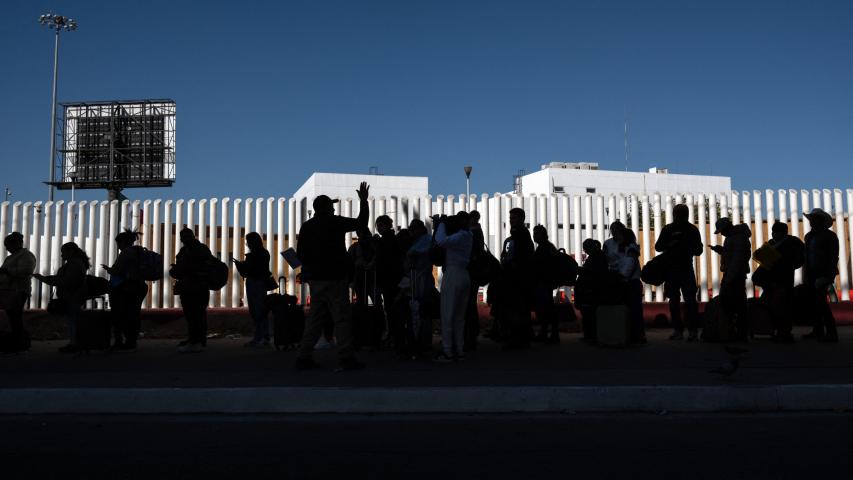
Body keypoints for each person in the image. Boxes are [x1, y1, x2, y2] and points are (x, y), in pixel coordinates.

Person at [295, 182, 370, 371]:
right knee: (341, 318)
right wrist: (363, 201)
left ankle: (304, 356)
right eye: (331, 205)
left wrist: (307, 271)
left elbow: (301, 255)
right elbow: (361, 222)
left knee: (315, 318)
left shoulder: (307, 227)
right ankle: (346, 356)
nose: (333, 208)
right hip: (336, 277)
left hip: (316, 279)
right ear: (328, 208)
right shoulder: (335, 222)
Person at [655, 204, 703, 341]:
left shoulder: (668, 229)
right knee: (690, 301)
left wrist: (671, 244)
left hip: (673, 269)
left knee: (675, 301)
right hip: (685, 268)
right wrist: (686, 246)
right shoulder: (692, 229)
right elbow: (699, 250)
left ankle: (679, 331)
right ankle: (692, 331)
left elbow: (658, 247)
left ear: (673, 214)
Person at [34, 242, 89, 353]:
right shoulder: (77, 263)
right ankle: (75, 343)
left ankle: (74, 344)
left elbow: (66, 281)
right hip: (74, 296)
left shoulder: (74, 265)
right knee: (73, 320)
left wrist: (45, 279)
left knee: (73, 321)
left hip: (72, 297)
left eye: (63, 252)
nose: (61, 255)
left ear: (71, 252)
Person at [433, 211, 473, 362]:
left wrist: (442, 223)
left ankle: (448, 351)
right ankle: (459, 349)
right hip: (464, 274)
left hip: (453, 273)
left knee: (447, 314)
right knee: (459, 317)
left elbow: (441, 241)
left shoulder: (460, 236)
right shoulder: (469, 235)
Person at [494, 207, 535, 350]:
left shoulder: (521, 235)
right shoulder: (515, 236)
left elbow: (523, 257)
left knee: (517, 309)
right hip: (515, 279)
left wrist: (511, 265)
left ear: (522, 219)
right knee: (516, 309)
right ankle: (519, 338)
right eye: (511, 218)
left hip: (518, 280)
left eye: (514, 218)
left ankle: (518, 338)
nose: (512, 221)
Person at [102, 230, 149, 351]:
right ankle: (131, 341)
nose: (117, 246)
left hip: (126, 288)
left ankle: (122, 342)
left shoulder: (126, 253)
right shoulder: (138, 251)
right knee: (133, 315)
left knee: (121, 315)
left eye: (118, 243)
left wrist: (109, 270)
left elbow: (117, 270)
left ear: (122, 242)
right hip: (139, 286)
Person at [759, 222, 805, 343]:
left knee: (782, 307)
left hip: (782, 280)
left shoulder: (788, 244)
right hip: (778, 279)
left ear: (782, 233)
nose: (773, 234)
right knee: (779, 306)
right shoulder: (790, 242)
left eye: (775, 231)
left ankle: (783, 333)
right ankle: (781, 332)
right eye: (773, 231)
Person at [170, 228, 213, 353]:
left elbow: (183, 268)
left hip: (192, 288)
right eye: (184, 237)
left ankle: (195, 342)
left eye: (186, 236)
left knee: (193, 315)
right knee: (198, 315)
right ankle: (197, 340)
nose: (185, 239)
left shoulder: (190, 251)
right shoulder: (200, 249)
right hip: (199, 287)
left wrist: (175, 270)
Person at [710, 217, 752, 342]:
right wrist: (722, 251)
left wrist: (729, 278)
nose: (721, 234)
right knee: (737, 304)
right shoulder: (736, 237)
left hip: (733, 276)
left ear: (727, 228)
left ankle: (736, 334)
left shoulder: (737, 238)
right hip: (734, 275)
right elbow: (734, 255)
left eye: (722, 231)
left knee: (733, 305)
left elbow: (737, 260)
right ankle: (738, 333)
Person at [802, 208, 839, 343]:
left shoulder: (830, 236)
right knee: (814, 303)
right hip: (811, 272)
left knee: (821, 303)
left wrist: (829, 275)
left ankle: (831, 332)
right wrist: (805, 274)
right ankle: (817, 330)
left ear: (821, 221)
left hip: (823, 273)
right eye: (811, 219)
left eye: (815, 219)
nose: (812, 222)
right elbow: (806, 257)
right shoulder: (809, 236)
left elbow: (833, 257)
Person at [233, 232, 272, 348]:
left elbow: (254, 269)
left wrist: (243, 266)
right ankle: (264, 337)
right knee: (260, 310)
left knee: (256, 310)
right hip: (259, 283)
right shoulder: (264, 253)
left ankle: (259, 337)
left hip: (256, 283)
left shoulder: (256, 254)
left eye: (248, 241)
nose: (247, 244)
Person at [0, 232, 37, 353]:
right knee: (13, 317)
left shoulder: (26, 255)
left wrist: (7, 271)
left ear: (16, 243)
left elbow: (26, 270)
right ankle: (19, 341)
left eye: (8, 245)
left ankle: (20, 342)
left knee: (15, 317)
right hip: (8, 291)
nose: (6, 248)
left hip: (18, 291)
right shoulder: (10, 257)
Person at [615, 229, 645, 344]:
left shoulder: (630, 248)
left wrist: (622, 276)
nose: (616, 237)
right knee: (634, 310)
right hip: (631, 283)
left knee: (634, 310)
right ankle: (635, 335)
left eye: (619, 235)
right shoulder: (628, 248)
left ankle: (636, 335)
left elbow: (629, 265)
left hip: (630, 283)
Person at [575, 239, 607, 343]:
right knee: (589, 314)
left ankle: (590, 336)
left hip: (591, 290)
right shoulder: (597, 256)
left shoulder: (596, 257)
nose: (585, 250)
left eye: (585, 247)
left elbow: (591, 272)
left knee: (589, 314)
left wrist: (579, 270)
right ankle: (590, 335)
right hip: (592, 290)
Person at [531, 225, 559, 344]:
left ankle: (549, 334)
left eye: (537, 233)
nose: (534, 236)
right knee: (546, 308)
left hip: (543, 281)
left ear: (543, 235)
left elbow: (541, 266)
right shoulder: (547, 247)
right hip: (546, 282)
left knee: (545, 309)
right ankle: (550, 333)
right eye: (534, 233)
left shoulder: (544, 248)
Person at [464, 210, 486, 351]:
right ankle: (472, 333)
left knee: (468, 304)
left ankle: (470, 333)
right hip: (475, 273)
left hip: (471, 272)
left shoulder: (472, 232)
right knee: (470, 303)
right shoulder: (478, 231)